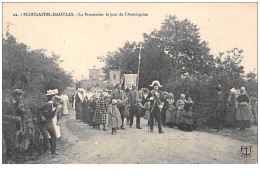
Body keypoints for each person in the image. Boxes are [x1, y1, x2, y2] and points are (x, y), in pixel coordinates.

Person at [2, 89, 26, 163]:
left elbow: (16, 112)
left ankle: (10, 160)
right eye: (20, 96)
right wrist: (14, 118)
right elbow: (2, 115)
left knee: (13, 144)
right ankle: (8, 161)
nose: (21, 98)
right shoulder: (7, 103)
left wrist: (21, 110)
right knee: (10, 143)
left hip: (15, 126)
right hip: (8, 127)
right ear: (16, 95)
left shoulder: (16, 103)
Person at [38, 89, 59, 155]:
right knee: (46, 136)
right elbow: (39, 110)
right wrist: (41, 116)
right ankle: (45, 151)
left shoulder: (57, 107)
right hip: (43, 123)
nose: (57, 103)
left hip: (49, 122)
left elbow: (54, 115)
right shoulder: (47, 104)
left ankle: (53, 151)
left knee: (54, 135)